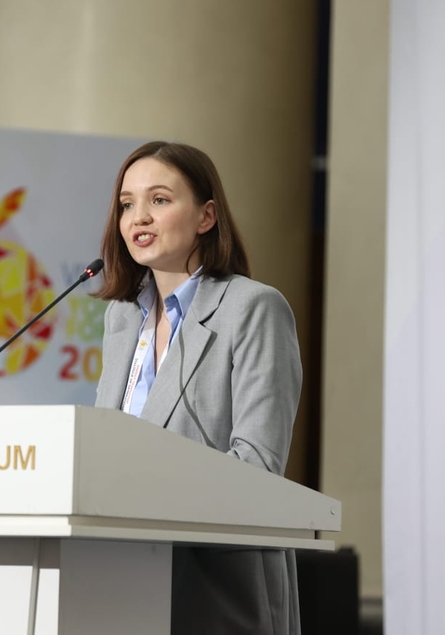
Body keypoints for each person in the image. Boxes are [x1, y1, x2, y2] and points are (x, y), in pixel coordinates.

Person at [93, 140, 303, 635]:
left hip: (215, 587)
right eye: (127, 204)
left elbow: (257, 464)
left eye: (159, 200)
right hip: (117, 580)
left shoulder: (252, 309)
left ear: (206, 216)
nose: (139, 218)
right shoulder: (122, 319)